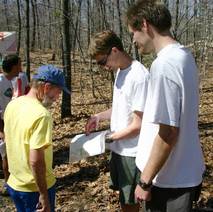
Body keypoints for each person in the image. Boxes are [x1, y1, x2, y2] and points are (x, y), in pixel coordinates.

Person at [126, 1, 205, 211]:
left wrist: (144, 181)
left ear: (144, 25)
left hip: (168, 182)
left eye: (133, 33)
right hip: (183, 173)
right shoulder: (184, 56)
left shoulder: (164, 65)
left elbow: (169, 132)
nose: (133, 41)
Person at [85, 30, 149, 212]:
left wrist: (107, 138)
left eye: (102, 61)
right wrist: (98, 117)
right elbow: (121, 108)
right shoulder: (121, 72)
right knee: (124, 199)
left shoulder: (139, 76)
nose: (103, 66)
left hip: (132, 153)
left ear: (114, 50)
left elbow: (139, 124)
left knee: (131, 204)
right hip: (119, 149)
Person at [4, 64, 70, 212]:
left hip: (14, 184)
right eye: (58, 92)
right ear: (46, 87)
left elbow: (11, 142)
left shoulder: (13, 105)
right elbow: (36, 160)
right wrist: (44, 195)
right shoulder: (42, 115)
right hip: (33, 189)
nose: (57, 97)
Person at [0, 54, 21, 195]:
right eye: (19, 64)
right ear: (13, 67)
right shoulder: (0, 81)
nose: (21, 67)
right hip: (2, 124)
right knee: (6, 155)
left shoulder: (14, 80)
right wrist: (1, 131)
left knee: (11, 154)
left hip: (12, 122)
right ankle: (8, 186)